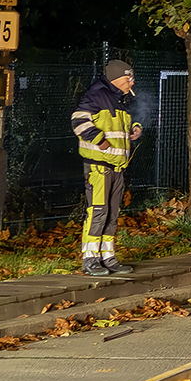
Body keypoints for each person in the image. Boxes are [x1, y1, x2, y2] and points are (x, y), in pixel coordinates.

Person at [70, 58, 144, 276]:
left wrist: (135, 128)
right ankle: (90, 259)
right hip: (99, 167)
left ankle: (108, 257)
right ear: (117, 78)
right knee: (98, 212)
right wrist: (99, 140)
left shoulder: (118, 98)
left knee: (112, 213)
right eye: (129, 78)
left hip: (117, 167)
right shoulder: (97, 95)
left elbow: (122, 125)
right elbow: (78, 121)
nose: (132, 82)